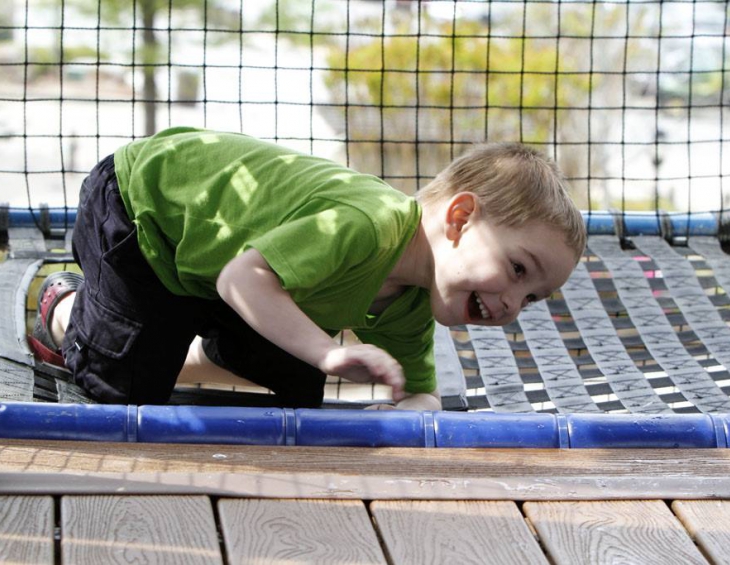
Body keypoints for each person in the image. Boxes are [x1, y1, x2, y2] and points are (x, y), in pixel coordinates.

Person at [28, 127, 586, 410]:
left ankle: (171, 345)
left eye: (533, 297)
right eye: (518, 270)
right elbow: (241, 280)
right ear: (460, 219)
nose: (514, 306)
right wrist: (329, 350)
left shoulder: (412, 303)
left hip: (215, 270)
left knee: (301, 386)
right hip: (144, 212)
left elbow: (418, 391)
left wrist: (415, 414)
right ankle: (67, 308)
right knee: (120, 389)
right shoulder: (366, 226)